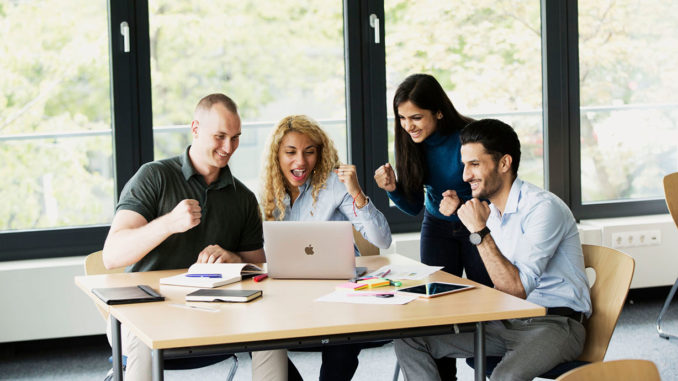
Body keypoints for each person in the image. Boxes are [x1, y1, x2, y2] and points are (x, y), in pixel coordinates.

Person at [394, 119, 592, 381]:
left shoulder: (543, 209)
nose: (465, 176)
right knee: (410, 339)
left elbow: (515, 289)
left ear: (504, 163)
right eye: (464, 165)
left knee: (504, 377)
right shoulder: (491, 211)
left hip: (555, 323)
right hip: (506, 320)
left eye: (474, 164)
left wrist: (479, 231)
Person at [101, 93, 265, 381]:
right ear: (196, 129)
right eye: (220, 136)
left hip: (215, 313)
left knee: (269, 334)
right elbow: (112, 256)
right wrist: (167, 224)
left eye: (236, 137)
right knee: (142, 336)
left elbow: (258, 268)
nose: (229, 147)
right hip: (147, 310)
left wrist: (234, 259)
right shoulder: (153, 177)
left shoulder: (244, 198)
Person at [253, 115, 392, 381]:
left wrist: (357, 193)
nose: (301, 162)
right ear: (277, 155)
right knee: (254, 340)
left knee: (344, 340)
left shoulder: (334, 185)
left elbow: (382, 240)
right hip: (287, 295)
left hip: (338, 294)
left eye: (309, 152)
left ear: (320, 153)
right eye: (290, 152)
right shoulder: (266, 192)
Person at [374, 73, 492, 378]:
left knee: (487, 301)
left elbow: (496, 195)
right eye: (401, 118)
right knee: (436, 307)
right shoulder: (412, 142)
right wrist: (393, 189)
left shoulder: (470, 136)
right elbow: (414, 205)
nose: (408, 125)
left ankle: (491, 367)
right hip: (436, 227)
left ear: (438, 112)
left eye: (416, 117)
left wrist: (462, 205)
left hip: (476, 227)